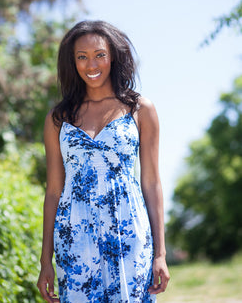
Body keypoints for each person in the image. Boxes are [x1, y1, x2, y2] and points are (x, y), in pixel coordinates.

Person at [37, 20, 170, 302]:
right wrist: (45, 260)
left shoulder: (140, 109)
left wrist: (160, 253)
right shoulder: (58, 119)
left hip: (129, 231)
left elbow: (152, 183)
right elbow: (52, 192)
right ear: (72, 63)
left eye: (99, 54)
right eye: (81, 57)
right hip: (74, 236)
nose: (91, 64)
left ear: (113, 56)